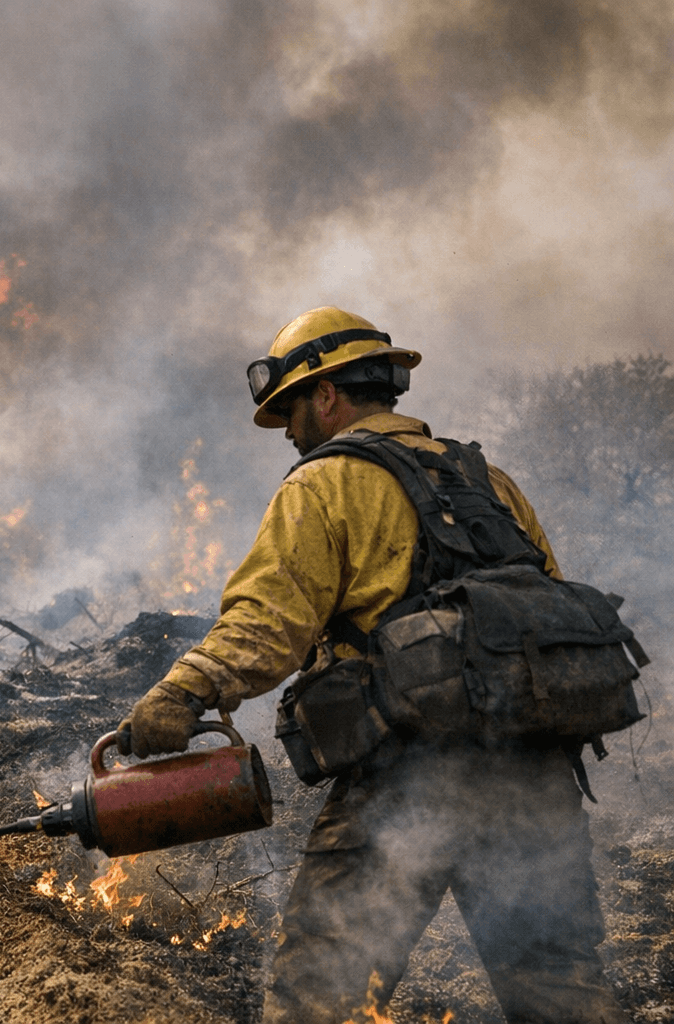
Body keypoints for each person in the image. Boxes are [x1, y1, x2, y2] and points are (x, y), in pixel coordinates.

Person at [119, 307, 628, 1023]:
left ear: (326, 395)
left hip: (407, 782)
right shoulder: (491, 482)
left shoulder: (323, 484)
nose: (289, 432)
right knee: (560, 990)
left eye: (291, 410)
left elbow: (268, 625)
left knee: (321, 998)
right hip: (533, 780)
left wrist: (183, 691)